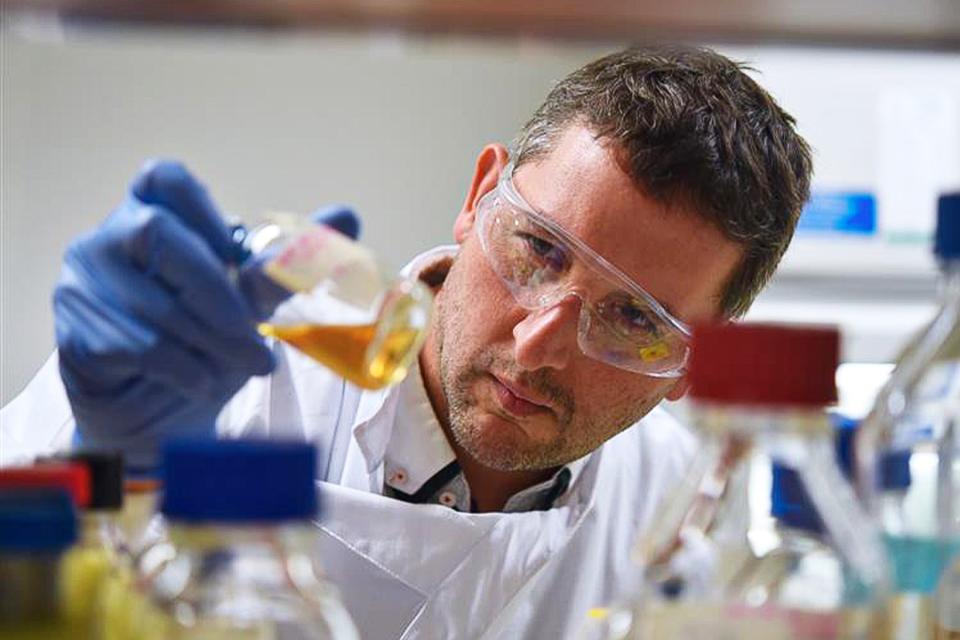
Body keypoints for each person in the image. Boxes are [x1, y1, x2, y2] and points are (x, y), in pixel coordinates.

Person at [1, 45, 812, 638]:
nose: (538, 346)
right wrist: (95, 454)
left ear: (689, 364)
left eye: (635, 318)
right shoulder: (226, 370)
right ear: (476, 197)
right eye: (539, 249)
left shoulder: (678, 500)